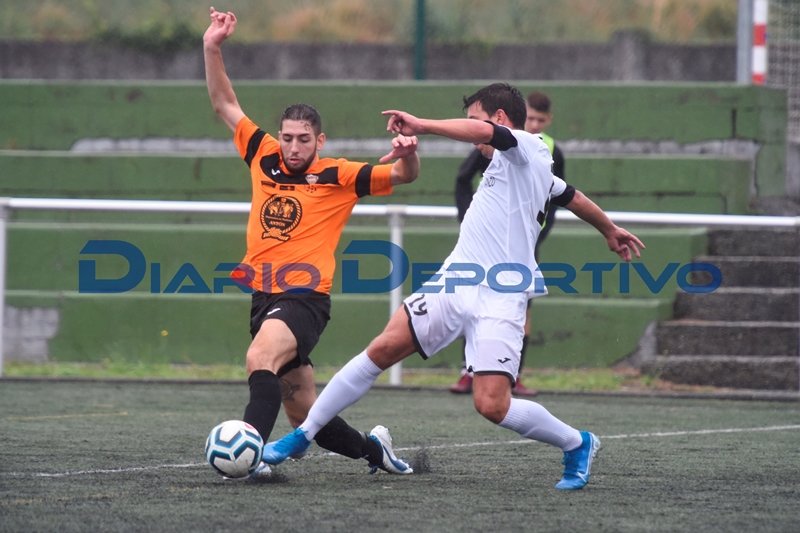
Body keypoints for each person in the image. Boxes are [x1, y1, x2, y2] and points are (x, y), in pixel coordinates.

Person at [262, 83, 645, 490]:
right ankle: (302, 435)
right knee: (381, 350)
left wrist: (421, 124)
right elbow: (569, 194)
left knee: (491, 405)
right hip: (455, 281)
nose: (472, 128)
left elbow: (485, 136)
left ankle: (577, 443)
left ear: (499, 120)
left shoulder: (528, 145)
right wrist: (609, 228)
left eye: (476, 118)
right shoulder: (518, 166)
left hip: (502, 296)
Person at [203, 7, 420, 478]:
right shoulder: (262, 155)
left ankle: (251, 453)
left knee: (258, 358)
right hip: (264, 294)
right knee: (305, 415)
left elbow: (403, 176)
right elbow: (225, 104)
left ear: (319, 140)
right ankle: (374, 450)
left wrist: (409, 154)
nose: (293, 146)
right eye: (287, 138)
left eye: (303, 139)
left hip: (304, 296)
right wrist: (212, 47)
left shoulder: (338, 174)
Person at [449, 90, 566, 396]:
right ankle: (468, 370)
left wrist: (540, 231)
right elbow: (463, 179)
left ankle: (512, 373)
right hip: (488, 238)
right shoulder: (497, 143)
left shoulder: (549, 150)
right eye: (530, 118)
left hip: (524, 242)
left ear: (549, 120)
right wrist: (467, 217)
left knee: (520, 308)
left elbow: (561, 195)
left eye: (541, 120)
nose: (535, 124)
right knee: (471, 299)